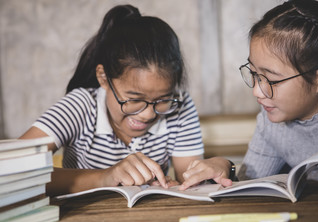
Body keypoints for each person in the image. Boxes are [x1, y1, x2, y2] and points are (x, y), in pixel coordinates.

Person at [20, 5, 234, 196]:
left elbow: (189, 179)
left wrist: (220, 165)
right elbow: (12, 169)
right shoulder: (80, 106)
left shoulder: (180, 106)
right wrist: (106, 178)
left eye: (162, 100)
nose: (148, 114)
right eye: (134, 99)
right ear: (103, 78)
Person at [235, 0, 318, 199]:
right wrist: (224, 170)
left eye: (273, 80)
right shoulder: (272, 116)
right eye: (254, 74)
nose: (257, 92)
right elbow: (249, 187)